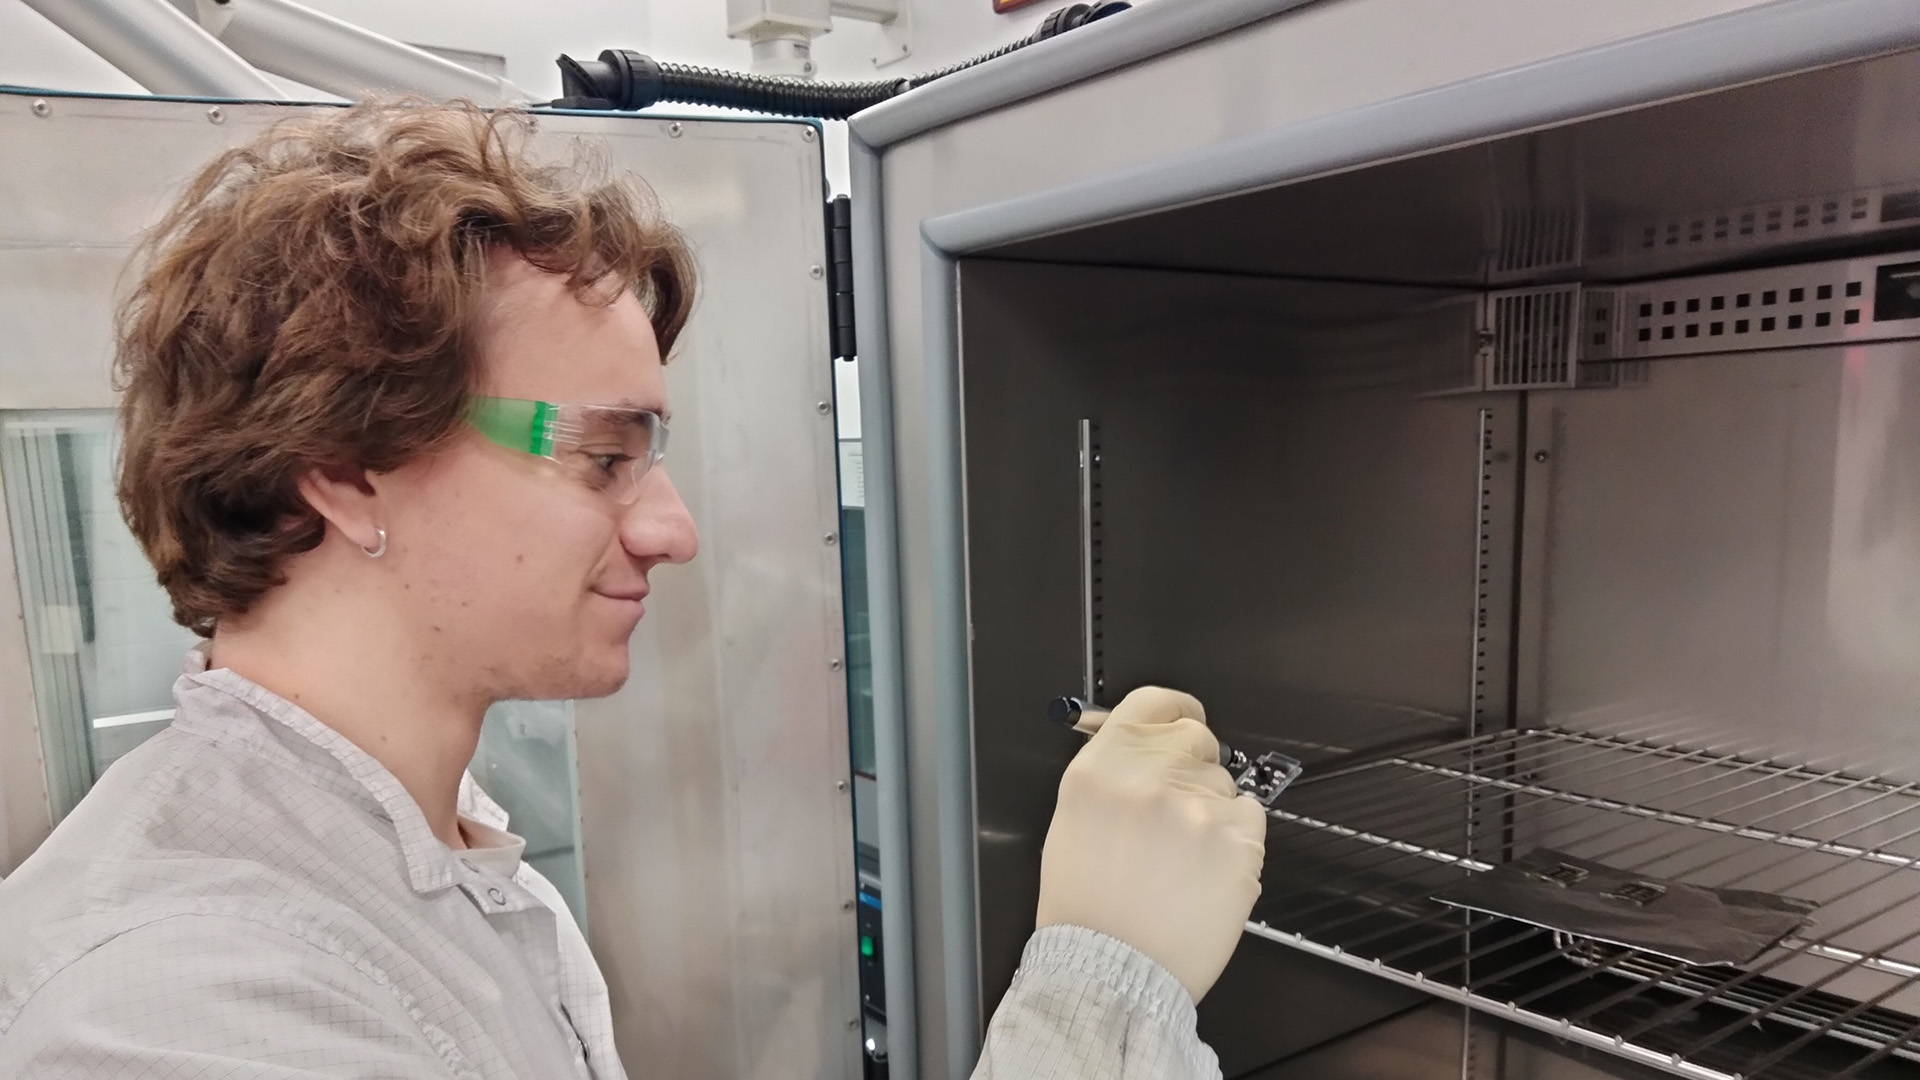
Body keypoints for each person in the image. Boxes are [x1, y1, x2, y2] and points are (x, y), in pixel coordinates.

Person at [0, 101, 1266, 1079]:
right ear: (344, 470)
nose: (674, 529)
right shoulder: (185, 1008)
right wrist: (1105, 986)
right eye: (603, 457)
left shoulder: (434, 856)